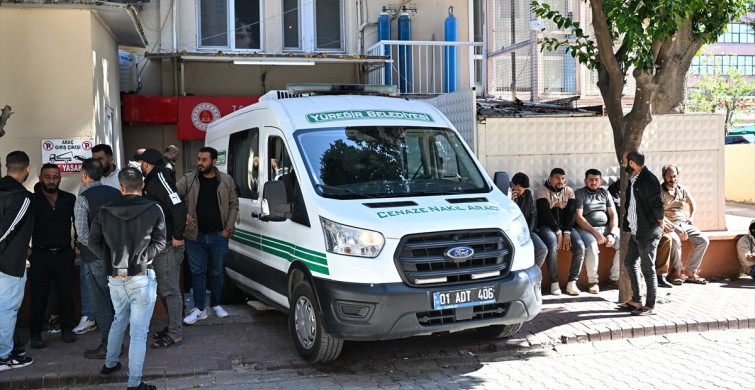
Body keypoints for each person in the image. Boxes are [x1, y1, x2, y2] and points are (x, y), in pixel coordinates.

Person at [88, 167, 166, 390]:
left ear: (120, 187)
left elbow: (91, 242)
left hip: (115, 278)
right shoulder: (154, 208)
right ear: (142, 185)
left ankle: (110, 365)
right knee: (138, 333)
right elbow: (160, 243)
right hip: (141, 277)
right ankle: (134, 384)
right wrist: (139, 261)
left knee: (118, 320)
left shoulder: (104, 210)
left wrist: (112, 263)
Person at [178, 147, 240, 324]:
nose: (200, 163)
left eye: (204, 160)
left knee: (217, 273)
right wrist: (184, 213)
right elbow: (173, 197)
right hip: (194, 236)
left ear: (214, 162)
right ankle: (199, 309)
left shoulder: (226, 180)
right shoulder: (189, 179)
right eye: (199, 159)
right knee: (198, 273)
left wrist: (228, 229)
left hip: (219, 236)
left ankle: (216, 304)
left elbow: (234, 204)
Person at [132, 148, 186, 348]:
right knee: (164, 289)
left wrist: (178, 236)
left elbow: (178, 206)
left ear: (146, 164)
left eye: (141, 164)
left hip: (168, 245)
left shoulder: (160, 177)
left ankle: (175, 333)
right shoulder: (155, 178)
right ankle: (173, 325)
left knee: (170, 289)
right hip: (159, 243)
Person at [74, 158, 122, 359]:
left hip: (95, 258)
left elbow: (83, 235)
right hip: (119, 256)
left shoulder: (83, 198)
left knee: (101, 302)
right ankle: (116, 344)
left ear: (84, 175)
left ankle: (109, 347)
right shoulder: (117, 194)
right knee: (118, 302)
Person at [28, 163, 78, 348]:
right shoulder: (32, 200)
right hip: (40, 255)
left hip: (64, 254)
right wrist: (26, 248)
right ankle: (35, 333)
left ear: (60, 178)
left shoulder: (69, 199)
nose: (51, 180)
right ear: (40, 178)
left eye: (55, 177)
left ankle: (66, 329)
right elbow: (22, 226)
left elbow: (78, 223)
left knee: (66, 294)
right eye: (47, 177)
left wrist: (78, 243)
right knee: (38, 296)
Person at [616, 150, 664, 316]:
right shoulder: (635, 178)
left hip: (647, 232)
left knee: (647, 268)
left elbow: (657, 205)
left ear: (631, 163)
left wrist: (660, 225)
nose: (623, 164)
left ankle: (650, 305)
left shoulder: (649, 180)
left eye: (624, 161)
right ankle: (636, 300)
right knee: (629, 262)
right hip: (636, 230)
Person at [0, 151, 34, 371]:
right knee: (7, 310)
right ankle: (4, 357)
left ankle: (8, 349)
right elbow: (7, 230)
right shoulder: (22, 197)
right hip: (9, 263)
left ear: (6, 167)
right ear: (28, 169)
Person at [535, 168, 585, 296]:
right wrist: (558, 231)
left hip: (566, 228)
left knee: (580, 246)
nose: (560, 181)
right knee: (552, 246)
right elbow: (545, 213)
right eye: (557, 178)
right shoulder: (541, 191)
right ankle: (554, 282)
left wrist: (567, 231)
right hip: (547, 227)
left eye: (563, 178)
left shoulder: (568, 191)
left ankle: (572, 282)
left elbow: (571, 212)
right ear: (550, 178)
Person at [660, 164, 709, 285]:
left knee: (703, 240)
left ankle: (689, 272)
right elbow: (659, 214)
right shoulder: (659, 191)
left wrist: (691, 217)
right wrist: (676, 228)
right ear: (664, 177)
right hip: (669, 225)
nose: (673, 179)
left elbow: (692, 204)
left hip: (683, 223)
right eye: (669, 176)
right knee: (675, 241)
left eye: (675, 176)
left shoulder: (682, 189)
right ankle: (677, 272)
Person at [574, 169, 618, 294]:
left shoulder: (605, 193)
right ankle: (593, 282)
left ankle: (614, 279)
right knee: (592, 246)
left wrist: (612, 233)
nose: (593, 182)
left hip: (605, 228)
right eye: (591, 179)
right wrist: (596, 233)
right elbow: (579, 217)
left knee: (625, 243)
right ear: (585, 180)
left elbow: (613, 214)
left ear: (600, 180)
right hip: (586, 229)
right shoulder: (580, 193)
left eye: (596, 180)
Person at [510, 173, 547, 269]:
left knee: (542, 250)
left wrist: (529, 232)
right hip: (512, 233)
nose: (520, 193)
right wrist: (510, 202)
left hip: (527, 231)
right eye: (518, 190)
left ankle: (533, 274)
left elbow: (532, 214)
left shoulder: (527, 194)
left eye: (523, 190)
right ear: (512, 185)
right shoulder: (505, 194)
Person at [605, 180, 622, 288]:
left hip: (635, 226)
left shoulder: (640, 186)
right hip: (616, 226)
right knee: (624, 243)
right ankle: (614, 279)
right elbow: (618, 210)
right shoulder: (614, 189)